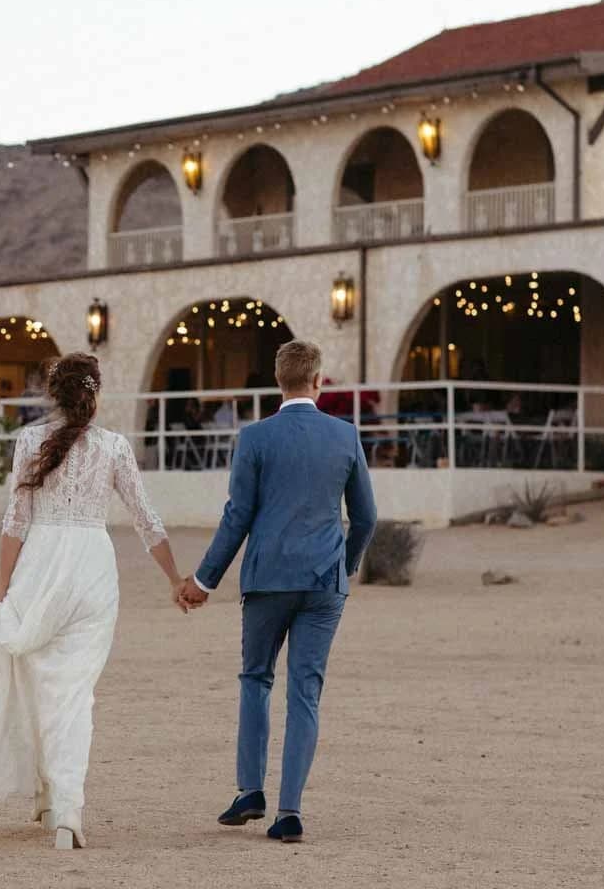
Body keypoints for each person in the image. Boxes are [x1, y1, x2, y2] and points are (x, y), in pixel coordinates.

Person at [0, 354, 185, 850]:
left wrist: (3, 590)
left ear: (53, 393)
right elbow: (147, 520)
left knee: (38, 687)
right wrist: (174, 579)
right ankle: (64, 811)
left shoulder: (29, 440)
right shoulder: (114, 447)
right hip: (92, 570)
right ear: (94, 395)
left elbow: (15, 521)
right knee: (73, 694)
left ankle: (53, 798)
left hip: (41, 567)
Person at [178, 340, 377, 844]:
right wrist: (345, 566)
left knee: (255, 679)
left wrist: (203, 581)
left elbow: (237, 516)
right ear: (317, 380)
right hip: (322, 582)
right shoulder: (345, 435)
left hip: (267, 581)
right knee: (305, 692)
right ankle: (289, 811)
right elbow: (367, 517)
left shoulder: (254, 438)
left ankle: (250, 790)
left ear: (277, 379)